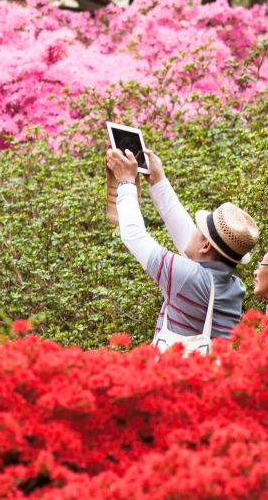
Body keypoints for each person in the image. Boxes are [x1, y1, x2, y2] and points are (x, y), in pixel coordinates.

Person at [106, 147, 258, 351]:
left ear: (205, 246)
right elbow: (186, 234)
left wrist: (125, 182)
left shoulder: (189, 278)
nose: (193, 230)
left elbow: (133, 236)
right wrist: (159, 182)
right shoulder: (232, 285)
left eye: (198, 228)